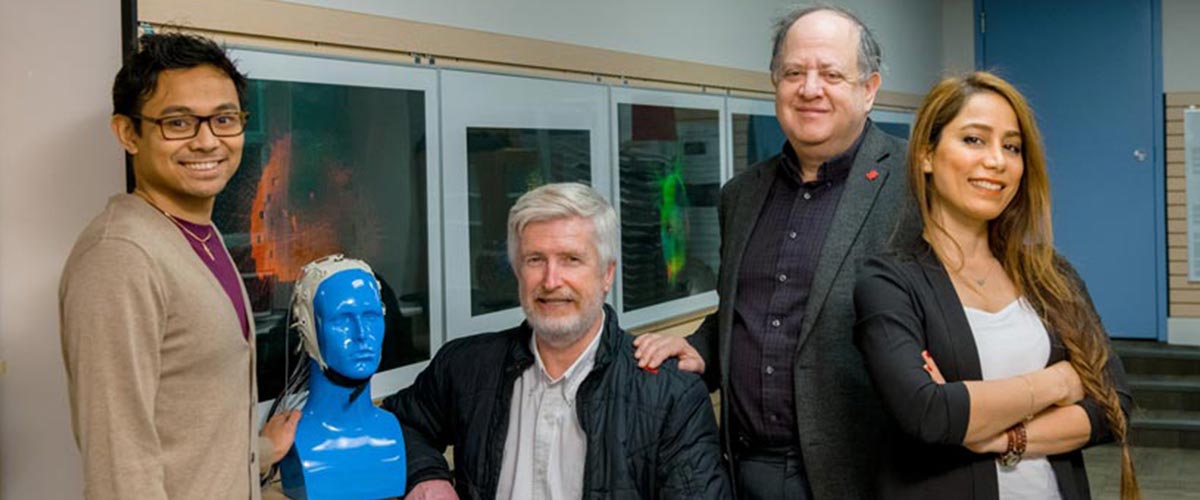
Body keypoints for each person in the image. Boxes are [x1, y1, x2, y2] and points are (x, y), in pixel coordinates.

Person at [633, 6, 916, 499]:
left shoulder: (916, 183)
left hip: (864, 474)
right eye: (793, 73)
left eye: (831, 74)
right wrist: (700, 349)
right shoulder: (741, 194)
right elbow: (751, 312)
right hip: (743, 470)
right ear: (774, 82)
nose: (810, 88)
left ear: (869, 89)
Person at [852, 71, 1138, 499]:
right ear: (926, 155)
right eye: (974, 140)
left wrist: (999, 437)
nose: (997, 161)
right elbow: (928, 413)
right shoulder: (888, 281)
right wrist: (1059, 383)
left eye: (1012, 147)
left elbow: (1113, 404)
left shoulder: (1049, 274)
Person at [59, 32, 297, 499]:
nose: (208, 141)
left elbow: (187, 409)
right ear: (129, 133)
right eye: (179, 123)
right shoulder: (120, 258)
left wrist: (262, 450)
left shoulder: (198, 234)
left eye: (224, 119)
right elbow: (119, 470)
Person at [385, 182, 729, 499]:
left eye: (571, 259)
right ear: (519, 271)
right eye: (535, 260)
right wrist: (426, 475)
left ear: (607, 273)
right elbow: (400, 423)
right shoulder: (466, 366)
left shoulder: (671, 395)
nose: (551, 280)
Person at [272, 255, 406, 499]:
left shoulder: (391, 431)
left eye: (371, 317)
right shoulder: (295, 441)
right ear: (309, 329)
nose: (362, 334)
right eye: (343, 320)